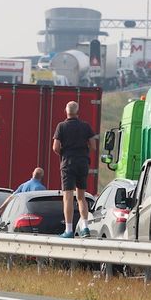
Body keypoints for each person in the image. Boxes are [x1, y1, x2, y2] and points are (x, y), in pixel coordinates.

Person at [52, 101, 98, 238]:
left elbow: (55, 147)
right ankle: (85, 227)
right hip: (83, 163)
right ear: (78, 111)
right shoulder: (85, 126)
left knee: (67, 197)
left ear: (66, 111)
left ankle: (69, 229)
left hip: (68, 163)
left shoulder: (61, 126)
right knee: (81, 197)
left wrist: (64, 152)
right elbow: (94, 146)